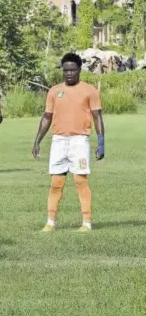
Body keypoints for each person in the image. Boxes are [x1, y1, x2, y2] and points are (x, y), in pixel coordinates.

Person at [32, 53, 105, 233]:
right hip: (58, 141)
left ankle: (86, 222)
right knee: (56, 183)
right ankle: (50, 222)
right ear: (62, 71)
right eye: (66, 70)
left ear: (79, 70)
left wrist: (101, 142)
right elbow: (46, 117)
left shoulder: (90, 91)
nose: (69, 74)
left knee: (80, 181)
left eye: (73, 70)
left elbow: (97, 117)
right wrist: (37, 141)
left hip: (79, 141)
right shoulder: (54, 91)